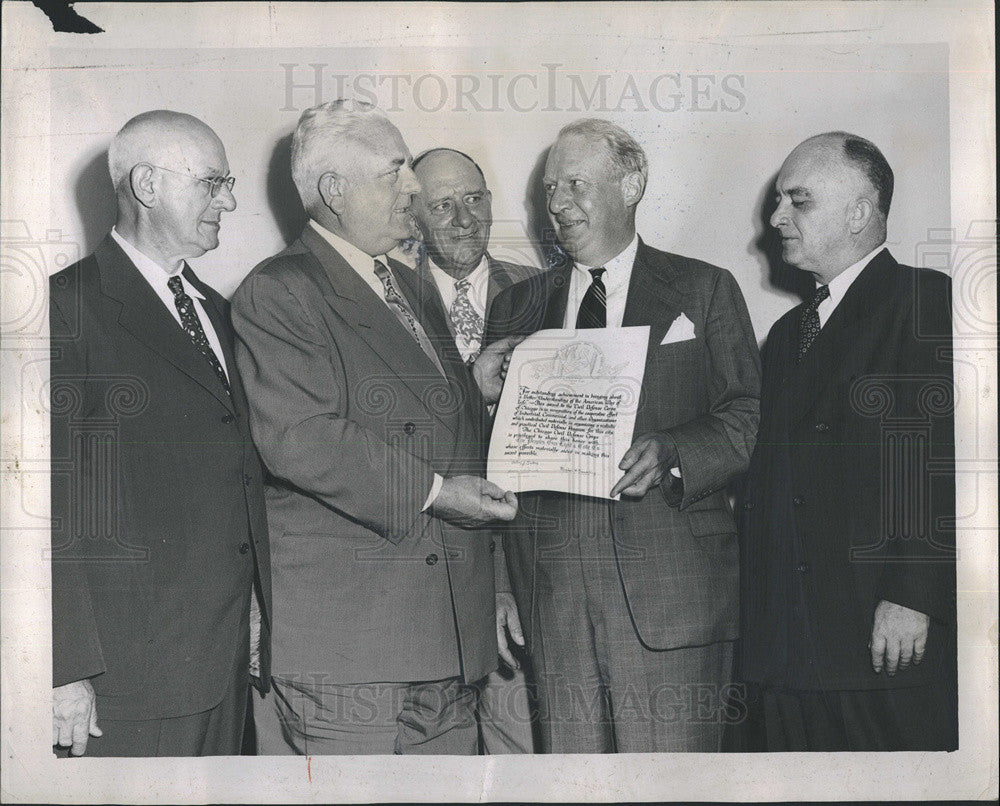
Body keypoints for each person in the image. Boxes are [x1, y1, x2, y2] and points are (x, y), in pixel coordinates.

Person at [230, 99, 519, 756]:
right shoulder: (280, 290)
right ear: (336, 190)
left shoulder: (408, 286)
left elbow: (404, 413)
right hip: (352, 648)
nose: (414, 186)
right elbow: (305, 436)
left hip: (444, 633)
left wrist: (476, 390)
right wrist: (441, 493)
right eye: (395, 172)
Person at [486, 118, 761, 752]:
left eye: (575, 183)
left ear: (632, 184)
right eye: (550, 188)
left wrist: (675, 451)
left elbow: (745, 414)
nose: (557, 204)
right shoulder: (516, 308)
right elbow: (491, 458)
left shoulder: (704, 288)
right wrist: (500, 583)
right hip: (552, 605)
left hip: (673, 600)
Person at [49, 110, 271, 757]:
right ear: (147, 185)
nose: (229, 199)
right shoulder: (64, 307)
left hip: (224, 665)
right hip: (124, 682)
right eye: (213, 182)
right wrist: (63, 667)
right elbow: (37, 504)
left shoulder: (218, 312)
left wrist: (259, 609)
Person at [736, 132, 956, 751]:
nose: (776, 218)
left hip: (878, 642)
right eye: (780, 200)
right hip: (786, 649)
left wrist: (913, 597)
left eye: (798, 201)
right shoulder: (785, 334)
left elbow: (940, 462)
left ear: (860, 212)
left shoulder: (924, 300)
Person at [410, 147, 541, 754]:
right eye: (443, 204)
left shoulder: (543, 289)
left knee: (522, 746)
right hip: (431, 565)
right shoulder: (387, 299)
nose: (465, 218)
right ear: (412, 213)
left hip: (530, 562)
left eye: (476, 198)